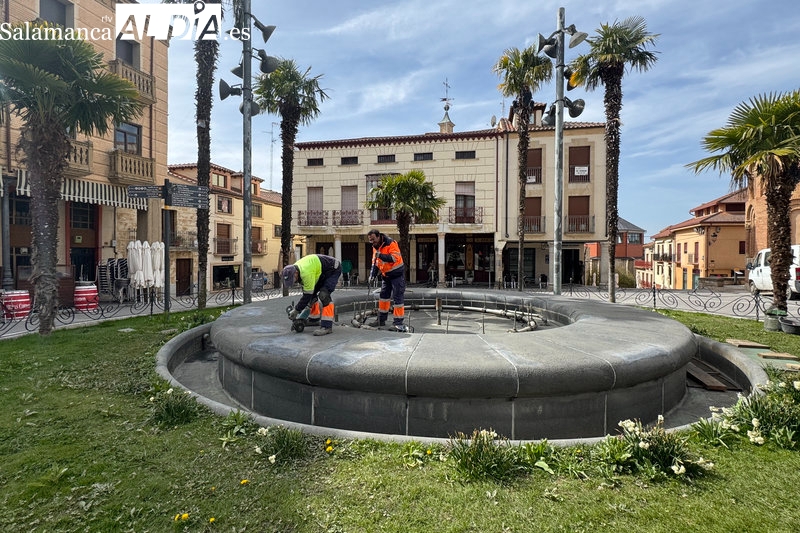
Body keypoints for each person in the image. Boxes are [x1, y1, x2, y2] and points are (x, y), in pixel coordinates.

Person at [282, 254, 342, 336]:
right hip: (320, 271)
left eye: (293, 279)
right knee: (312, 296)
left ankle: (327, 326)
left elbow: (306, 296)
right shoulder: (295, 269)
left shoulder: (306, 273)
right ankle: (314, 319)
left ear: (296, 273)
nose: (293, 282)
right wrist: (299, 309)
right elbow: (308, 295)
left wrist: (296, 310)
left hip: (333, 269)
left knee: (324, 295)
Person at [366, 229, 407, 331]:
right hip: (386, 276)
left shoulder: (391, 243)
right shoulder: (375, 247)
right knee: (383, 297)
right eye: (370, 240)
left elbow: (394, 258)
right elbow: (375, 263)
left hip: (397, 275)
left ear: (379, 236)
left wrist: (381, 255)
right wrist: (372, 276)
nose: (372, 242)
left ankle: (398, 323)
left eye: (373, 239)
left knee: (398, 298)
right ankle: (381, 320)